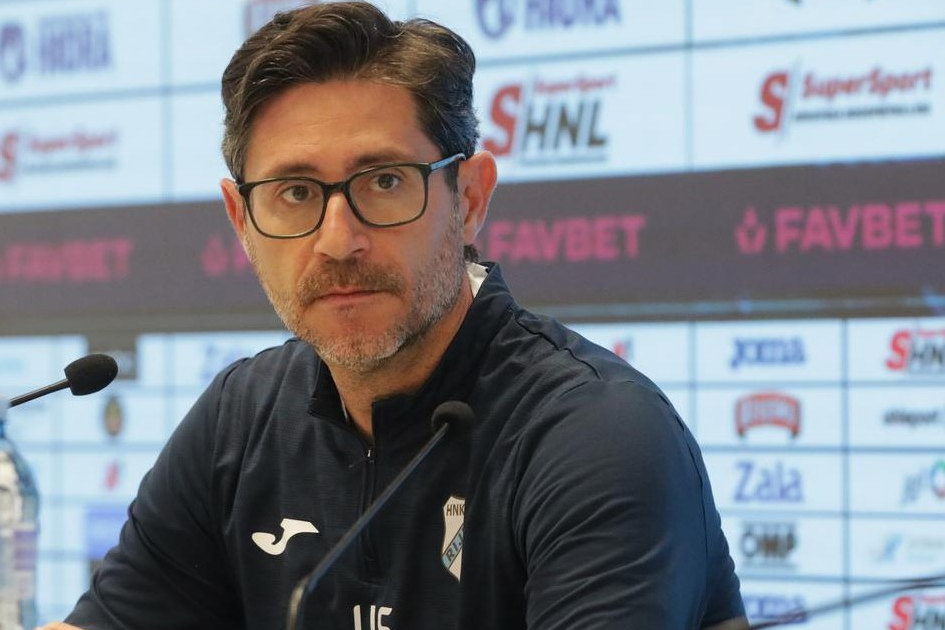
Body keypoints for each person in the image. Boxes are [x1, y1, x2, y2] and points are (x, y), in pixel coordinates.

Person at [42, 3, 746, 629]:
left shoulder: (596, 434)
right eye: (294, 192)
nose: (337, 240)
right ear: (241, 221)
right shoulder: (240, 420)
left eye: (383, 182)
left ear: (469, 199)